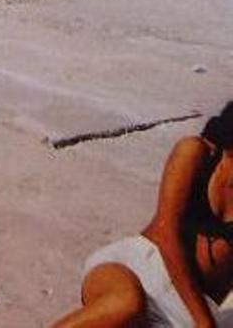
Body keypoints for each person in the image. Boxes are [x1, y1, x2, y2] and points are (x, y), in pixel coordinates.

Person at [53, 101, 232, 328]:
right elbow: (166, 235)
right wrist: (204, 322)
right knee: (126, 305)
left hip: (186, 309)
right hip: (140, 266)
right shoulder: (196, 153)